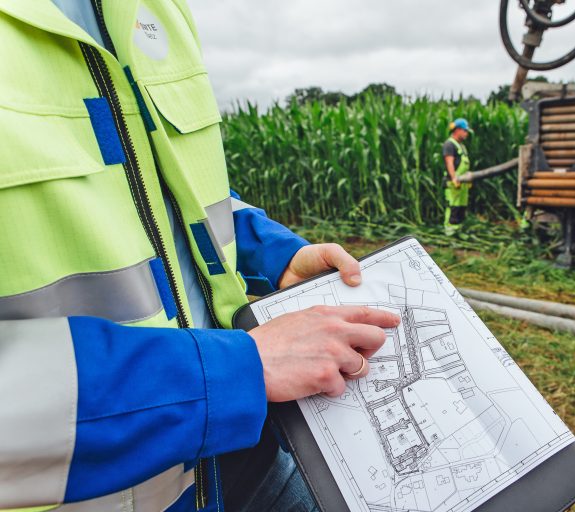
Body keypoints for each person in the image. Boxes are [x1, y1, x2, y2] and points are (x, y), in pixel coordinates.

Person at [0, 1, 400, 511]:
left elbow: (158, 190)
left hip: (248, 451)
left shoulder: (155, 8)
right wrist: (237, 370)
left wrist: (271, 253)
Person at [442, 118, 474, 235]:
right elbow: (449, 162)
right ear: (458, 130)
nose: (466, 134)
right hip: (453, 182)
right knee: (453, 206)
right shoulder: (449, 144)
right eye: (465, 131)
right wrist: (454, 178)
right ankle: (450, 231)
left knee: (462, 206)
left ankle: (458, 230)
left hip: (463, 182)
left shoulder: (461, 146)